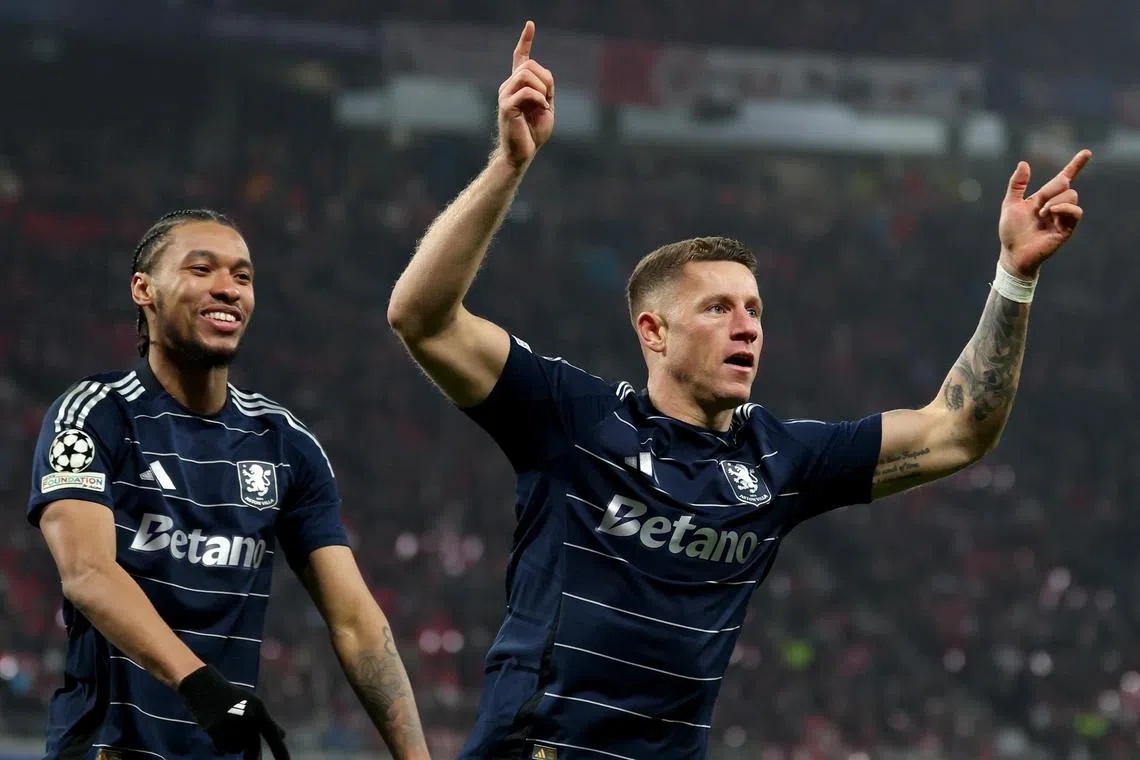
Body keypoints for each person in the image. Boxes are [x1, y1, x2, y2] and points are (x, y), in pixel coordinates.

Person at [387, 20, 1092, 760]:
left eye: (755, 309)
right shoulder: (573, 419)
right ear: (654, 331)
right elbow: (422, 319)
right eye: (719, 309)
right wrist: (508, 163)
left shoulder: (778, 461)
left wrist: (1015, 277)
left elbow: (959, 429)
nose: (746, 326)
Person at [28, 209, 431, 760]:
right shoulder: (93, 415)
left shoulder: (285, 443)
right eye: (201, 269)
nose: (228, 289)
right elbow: (88, 573)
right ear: (144, 290)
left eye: (242, 277)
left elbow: (357, 622)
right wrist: (202, 686)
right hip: (108, 748)